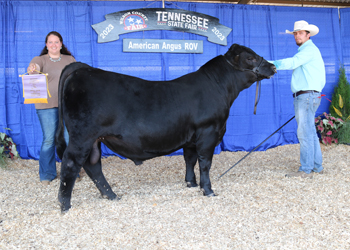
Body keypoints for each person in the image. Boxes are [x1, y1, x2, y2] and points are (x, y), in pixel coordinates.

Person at [271, 20, 326, 179]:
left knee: (304, 132)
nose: (297, 35)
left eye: (300, 33)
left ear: (308, 34)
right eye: (295, 33)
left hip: (306, 96)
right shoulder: (307, 50)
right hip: (309, 95)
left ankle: (306, 169)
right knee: (310, 131)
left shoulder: (308, 50)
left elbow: (292, 62)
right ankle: (317, 166)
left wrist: (269, 64)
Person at [27, 31, 76, 185]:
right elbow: (33, 67)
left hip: (67, 105)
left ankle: (71, 172)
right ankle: (47, 174)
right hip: (46, 105)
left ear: (61, 44)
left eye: (57, 42)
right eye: (50, 42)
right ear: (46, 45)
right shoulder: (40, 59)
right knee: (49, 139)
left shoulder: (70, 59)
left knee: (69, 138)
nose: (54, 45)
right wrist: (32, 68)